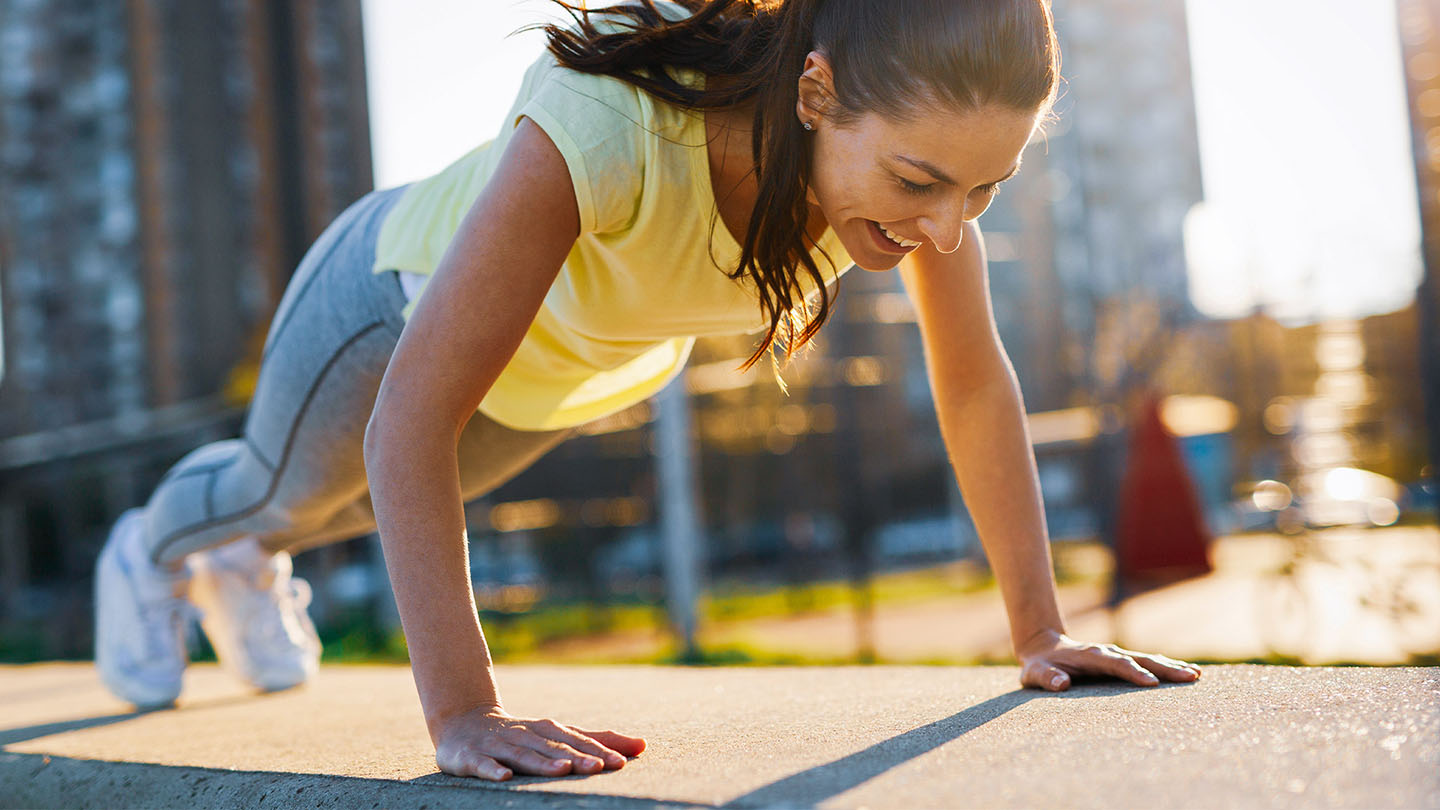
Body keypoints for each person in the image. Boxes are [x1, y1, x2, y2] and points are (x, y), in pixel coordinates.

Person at [94, 0, 1201, 782]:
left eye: (986, 189)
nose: (946, 227)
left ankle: (242, 561)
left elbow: (970, 386)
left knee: (344, 515)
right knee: (280, 497)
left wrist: (1041, 631)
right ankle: (156, 546)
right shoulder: (611, 121)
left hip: (559, 375)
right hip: (384, 317)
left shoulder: (923, 178)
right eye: (918, 181)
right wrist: (465, 713)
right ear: (816, 91)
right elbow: (409, 422)